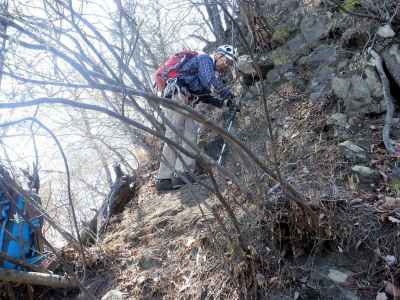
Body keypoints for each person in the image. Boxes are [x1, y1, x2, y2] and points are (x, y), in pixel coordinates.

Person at [155, 45, 239, 192]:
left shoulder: (209, 70)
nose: (227, 65)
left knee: (190, 134)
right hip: (176, 96)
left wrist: (224, 103)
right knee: (173, 135)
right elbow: (209, 80)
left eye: (230, 64)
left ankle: (183, 174)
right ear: (218, 55)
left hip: (186, 101)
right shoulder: (205, 59)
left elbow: (204, 96)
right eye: (227, 61)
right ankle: (163, 178)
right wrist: (229, 95)